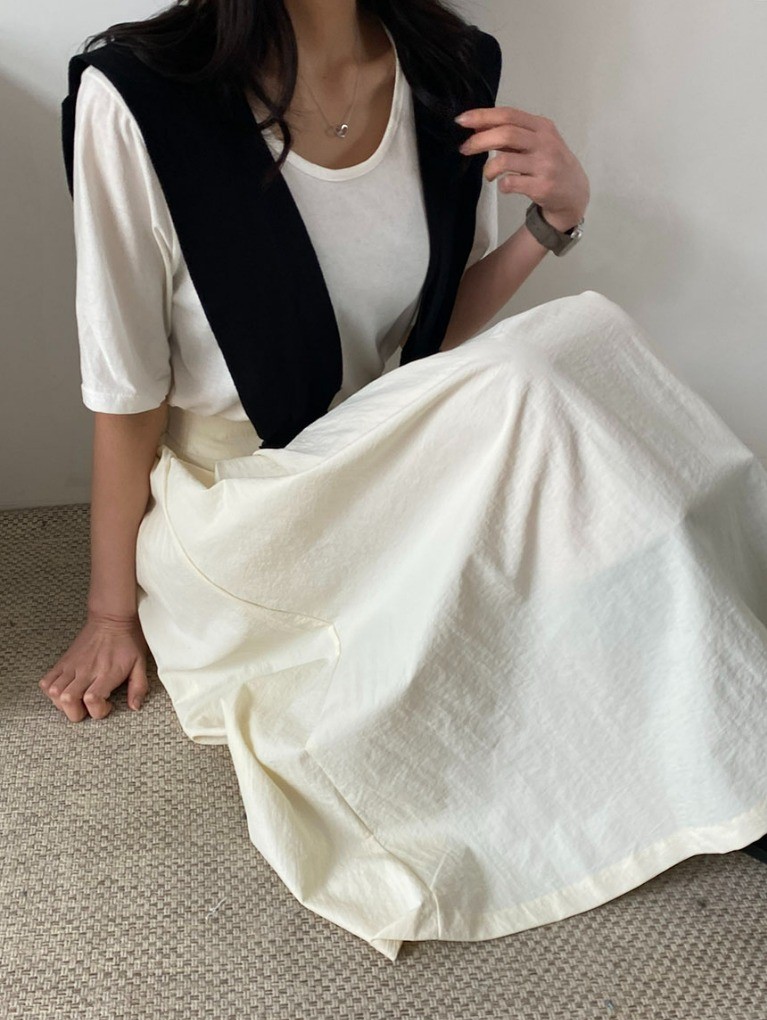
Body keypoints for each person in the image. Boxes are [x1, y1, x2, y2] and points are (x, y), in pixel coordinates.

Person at [41, 0, 767, 961]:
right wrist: (110, 610)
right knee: (534, 383)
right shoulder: (140, 96)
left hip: (380, 457)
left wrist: (551, 223)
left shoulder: (446, 69)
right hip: (246, 512)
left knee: (580, 354)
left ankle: (727, 702)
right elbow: (126, 392)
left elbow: (426, 341)